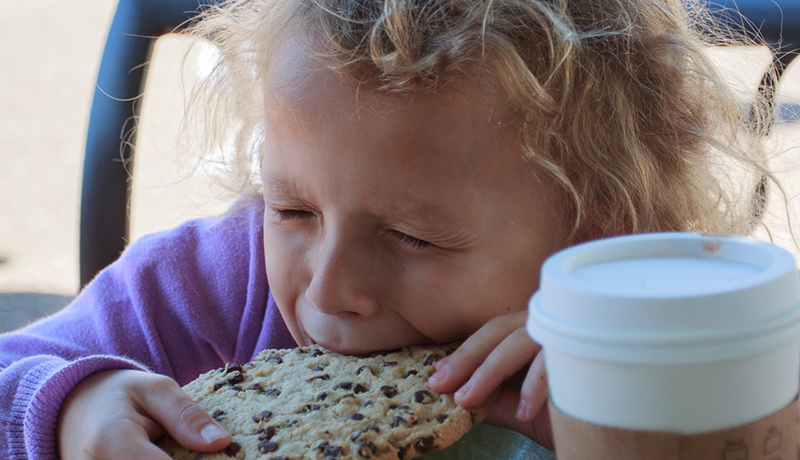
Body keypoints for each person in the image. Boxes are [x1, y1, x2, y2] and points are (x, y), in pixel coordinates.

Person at [0, 0, 777, 458]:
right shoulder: (218, 281)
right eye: (293, 210)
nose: (330, 290)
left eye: (414, 236)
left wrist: (630, 409)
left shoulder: (684, 352)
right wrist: (71, 407)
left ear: (599, 228)